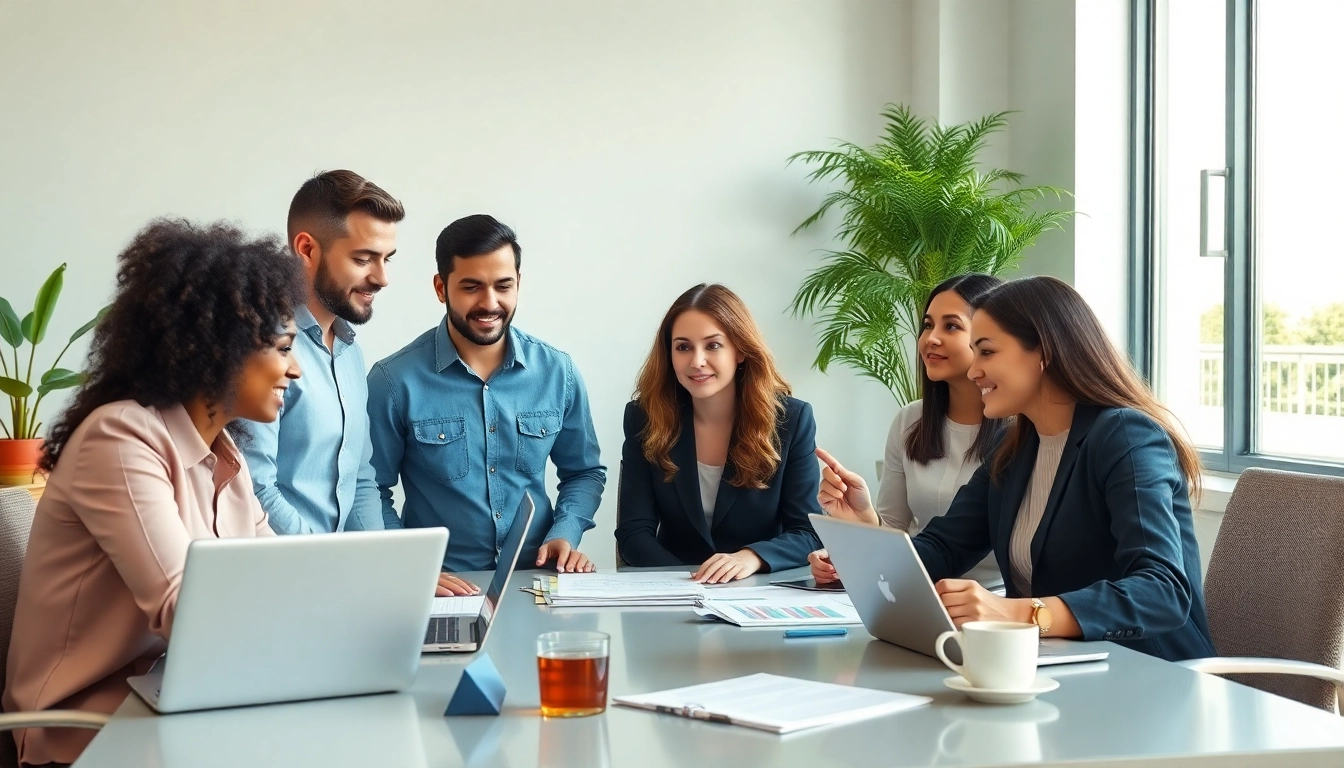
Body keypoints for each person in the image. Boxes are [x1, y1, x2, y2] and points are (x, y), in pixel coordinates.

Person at [4, 219, 306, 767]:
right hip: (87, 732)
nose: (296, 368)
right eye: (283, 348)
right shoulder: (120, 437)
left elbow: (278, 574)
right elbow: (187, 607)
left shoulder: (224, 458)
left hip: (176, 705)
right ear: (223, 348)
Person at [817, 276, 1215, 662]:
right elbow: (942, 547)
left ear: (1044, 353)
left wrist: (1015, 613)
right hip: (1057, 668)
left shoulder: (1124, 436)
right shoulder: (1015, 450)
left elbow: (1163, 592)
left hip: (1150, 674)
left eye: (987, 352)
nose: (974, 371)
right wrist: (860, 543)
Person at [367, 215, 605, 595]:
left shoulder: (558, 371)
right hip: (442, 588)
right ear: (441, 288)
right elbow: (370, 488)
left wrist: (566, 533)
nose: (490, 303)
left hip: (538, 582)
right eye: (472, 287)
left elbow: (584, 473)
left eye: (503, 286)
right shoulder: (393, 382)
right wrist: (410, 568)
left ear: (518, 285)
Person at [615, 284, 824, 582]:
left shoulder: (791, 419)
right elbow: (633, 533)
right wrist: (688, 583)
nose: (696, 361)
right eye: (683, 347)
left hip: (760, 592)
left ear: (740, 350)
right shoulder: (644, 418)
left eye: (713, 345)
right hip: (673, 591)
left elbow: (807, 532)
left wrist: (751, 557)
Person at [809, 274, 1006, 589]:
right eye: (928, 325)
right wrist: (854, 543)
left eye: (951, 326)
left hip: (996, 602)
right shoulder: (910, 420)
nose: (931, 338)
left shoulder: (1019, 431)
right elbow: (897, 530)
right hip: (915, 590)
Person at [235, 170, 405, 535]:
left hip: (337, 578)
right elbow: (253, 488)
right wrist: (328, 564)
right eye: (364, 259)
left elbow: (360, 481)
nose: (382, 278)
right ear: (307, 250)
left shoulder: (350, 353)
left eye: (386, 259)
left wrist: (383, 566)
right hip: (283, 577)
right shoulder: (262, 347)